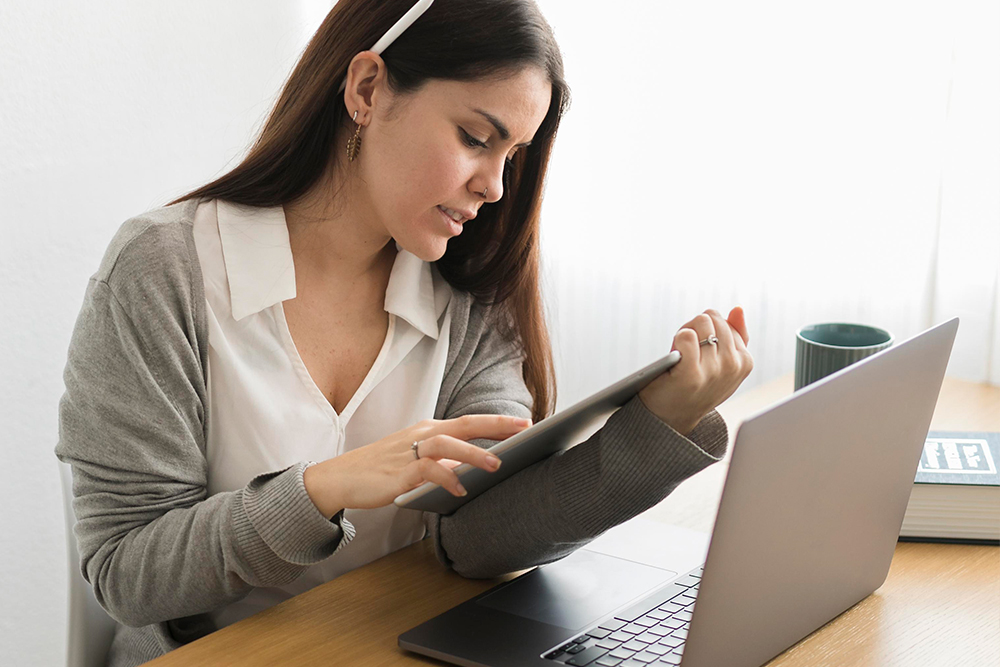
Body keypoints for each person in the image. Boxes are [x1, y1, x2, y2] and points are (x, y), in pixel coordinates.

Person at [55, 1, 753, 665]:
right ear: (366, 88)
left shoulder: (467, 290)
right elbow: (128, 571)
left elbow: (480, 536)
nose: (496, 188)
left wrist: (660, 422)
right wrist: (322, 489)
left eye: (511, 155)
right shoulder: (162, 271)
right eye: (476, 138)